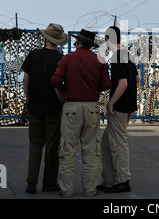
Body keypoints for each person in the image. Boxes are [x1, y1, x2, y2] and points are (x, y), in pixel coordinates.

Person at [51, 29, 111, 198]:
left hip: (71, 107)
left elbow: (55, 80)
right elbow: (107, 84)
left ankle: (66, 190)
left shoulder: (68, 58)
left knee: (67, 150)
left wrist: (66, 91)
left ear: (77, 43)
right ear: (91, 45)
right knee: (91, 151)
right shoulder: (99, 59)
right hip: (92, 107)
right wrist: (93, 88)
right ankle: (90, 190)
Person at [21, 23, 68, 194]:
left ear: (45, 38)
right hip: (53, 108)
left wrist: (28, 98)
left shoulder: (34, 55)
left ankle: (31, 182)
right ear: (58, 41)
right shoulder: (60, 58)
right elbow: (59, 84)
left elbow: (26, 78)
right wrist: (61, 102)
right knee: (52, 146)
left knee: (35, 144)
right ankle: (49, 182)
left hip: (35, 106)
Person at [97, 26, 139, 193]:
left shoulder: (116, 58)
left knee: (118, 143)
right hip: (129, 104)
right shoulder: (128, 55)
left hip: (120, 106)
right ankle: (108, 180)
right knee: (107, 142)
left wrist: (111, 103)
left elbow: (123, 83)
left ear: (108, 39)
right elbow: (136, 78)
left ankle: (123, 180)